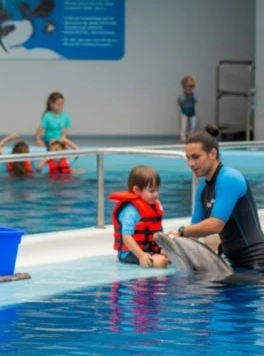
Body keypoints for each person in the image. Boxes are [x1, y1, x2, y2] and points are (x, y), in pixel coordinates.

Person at [166, 125, 264, 271]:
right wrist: (171, 248)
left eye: (196, 157)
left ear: (212, 153)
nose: (191, 163)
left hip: (257, 265)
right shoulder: (202, 189)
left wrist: (181, 232)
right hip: (234, 264)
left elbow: (215, 224)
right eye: (188, 158)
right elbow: (194, 232)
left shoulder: (229, 178)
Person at [109, 165, 170, 268]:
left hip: (149, 249)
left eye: (157, 190)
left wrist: (163, 249)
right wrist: (141, 256)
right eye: (151, 191)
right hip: (130, 253)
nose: (156, 194)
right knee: (160, 263)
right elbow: (127, 237)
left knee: (173, 256)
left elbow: (157, 232)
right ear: (137, 190)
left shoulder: (155, 206)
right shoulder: (131, 211)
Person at [178, 75, 197, 142]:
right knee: (184, 126)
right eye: (187, 87)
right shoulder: (183, 95)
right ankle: (183, 136)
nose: (189, 89)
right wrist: (182, 107)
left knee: (193, 125)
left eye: (191, 87)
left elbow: (195, 101)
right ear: (184, 87)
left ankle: (191, 136)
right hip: (184, 112)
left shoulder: (193, 95)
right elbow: (179, 101)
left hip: (192, 112)